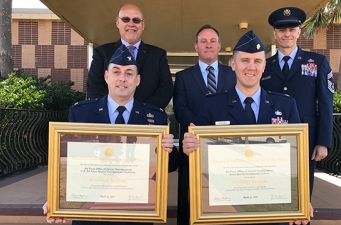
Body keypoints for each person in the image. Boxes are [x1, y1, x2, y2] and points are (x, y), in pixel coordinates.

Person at [182, 30, 312, 225]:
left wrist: (302, 197)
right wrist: (189, 148)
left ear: (264, 66)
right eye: (244, 60)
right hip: (227, 208)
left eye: (257, 61)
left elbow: (297, 159)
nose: (251, 67)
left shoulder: (285, 106)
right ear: (233, 65)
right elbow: (201, 161)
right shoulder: (212, 106)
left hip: (272, 207)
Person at [43, 45, 180, 225]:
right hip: (91, 212)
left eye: (129, 73)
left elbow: (169, 166)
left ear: (137, 80)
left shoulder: (155, 118)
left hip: (135, 212)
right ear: (106, 76)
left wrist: (168, 151)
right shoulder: (82, 114)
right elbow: (70, 162)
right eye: (116, 72)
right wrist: (58, 199)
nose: (122, 79)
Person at [260, 7, 334, 197]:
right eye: (282, 30)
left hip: (305, 138)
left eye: (292, 30)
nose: (287, 34)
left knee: (301, 188)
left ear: (299, 32)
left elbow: (326, 103)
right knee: (270, 185)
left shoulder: (317, 62)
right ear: (275, 34)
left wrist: (323, 141)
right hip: (270, 137)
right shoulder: (265, 66)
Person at [173, 24, 236, 225]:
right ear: (196, 47)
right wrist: (202, 131)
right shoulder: (183, 76)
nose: (208, 45)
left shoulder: (233, 73)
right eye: (203, 41)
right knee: (192, 191)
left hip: (227, 146)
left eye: (212, 41)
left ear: (219, 46)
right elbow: (180, 108)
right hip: (193, 145)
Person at [86, 4, 173, 110]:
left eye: (136, 20)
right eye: (126, 19)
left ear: (143, 25)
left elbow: (166, 89)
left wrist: (140, 111)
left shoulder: (158, 55)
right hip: (111, 120)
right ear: (118, 22)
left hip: (147, 120)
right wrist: (119, 109)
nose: (131, 24)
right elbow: (94, 87)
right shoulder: (102, 53)